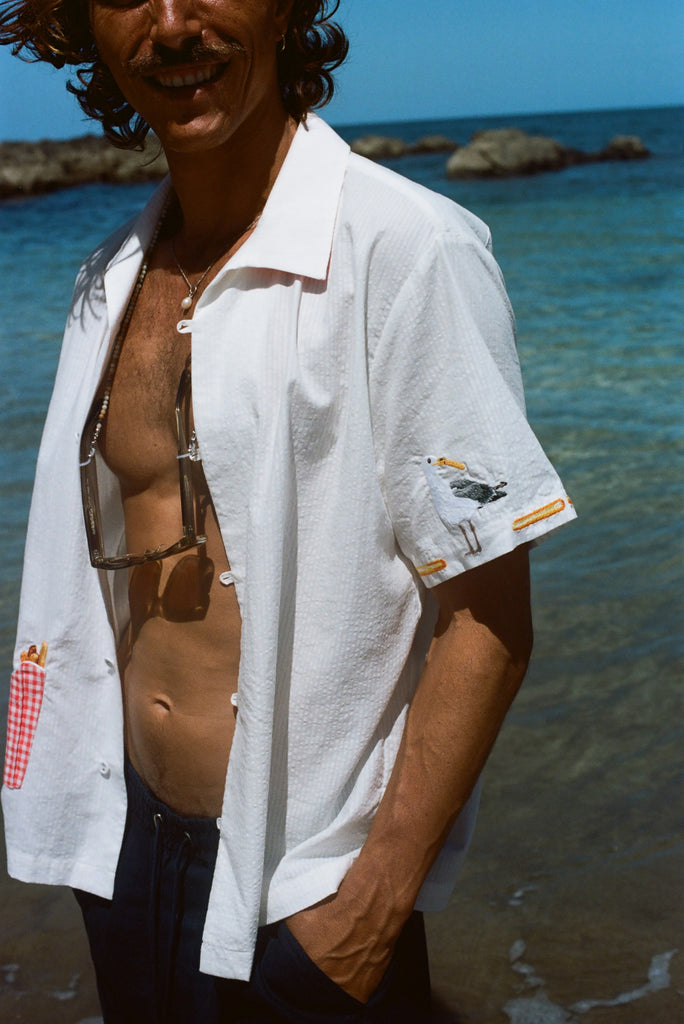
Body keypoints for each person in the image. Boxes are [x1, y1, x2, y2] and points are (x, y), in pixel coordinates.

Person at [0, 1, 576, 1021]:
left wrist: (371, 905)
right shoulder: (112, 276)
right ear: (81, 25)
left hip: (303, 872)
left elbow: (488, 611)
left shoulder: (404, 248)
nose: (173, 23)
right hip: (125, 841)